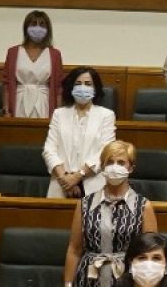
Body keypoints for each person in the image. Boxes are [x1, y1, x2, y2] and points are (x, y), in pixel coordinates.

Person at [63, 141, 158, 287]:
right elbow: (74, 250)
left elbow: (152, 257)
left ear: (131, 168)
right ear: (103, 167)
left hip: (128, 286)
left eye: (121, 162)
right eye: (110, 162)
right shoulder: (84, 205)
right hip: (88, 283)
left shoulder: (143, 207)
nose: (115, 167)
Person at [43, 66, 117, 199]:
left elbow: (105, 152)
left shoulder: (106, 115)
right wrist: (65, 179)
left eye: (88, 84)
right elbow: (49, 150)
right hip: (61, 186)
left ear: (95, 88)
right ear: (71, 88)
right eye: (78, 84)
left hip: (93, 185)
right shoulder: (59, 114)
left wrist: (78, 176)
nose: (83, 88)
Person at [1, 10, 63, 119]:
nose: (38, 28)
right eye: (34, 24)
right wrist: (6, 110)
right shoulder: (13, 52)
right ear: (26, 27)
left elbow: (58, 87)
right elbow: (6, 84)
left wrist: (57, 115)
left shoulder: (54, 54)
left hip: (44, 102)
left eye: (42, 25)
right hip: (19, 101)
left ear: (48, 30)